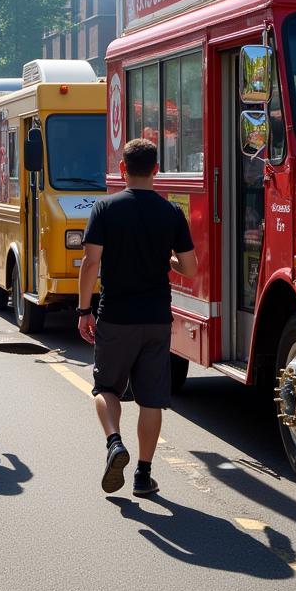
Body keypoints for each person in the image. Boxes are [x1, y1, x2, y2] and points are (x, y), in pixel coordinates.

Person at [77, 137, 198, 498]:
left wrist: (84, 309)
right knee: (151, 399)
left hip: (115, 315)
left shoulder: (105, 208)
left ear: (123, 170)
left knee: (106, 388)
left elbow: (91, 262)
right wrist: (168, 259)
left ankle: (115, 443)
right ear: (157, 170)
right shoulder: (171, 213)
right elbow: (189, 268)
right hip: (156, 318)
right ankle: (144, 476)